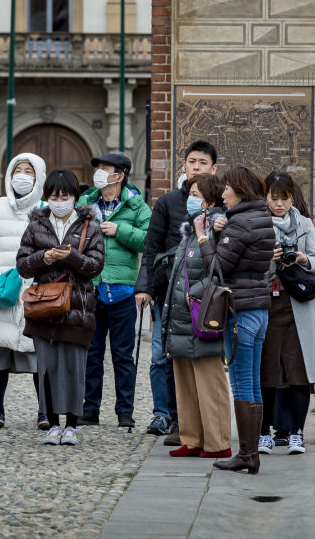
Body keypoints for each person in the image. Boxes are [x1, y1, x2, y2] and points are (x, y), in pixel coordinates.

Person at [135, 140, 218, 443]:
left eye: (203, 163)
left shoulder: (218, 205)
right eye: (192, 161)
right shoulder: (168, 202)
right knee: (162, 355)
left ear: (213, 169)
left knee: (196, 357)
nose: (197, 167)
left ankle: (192, 420)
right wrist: (143, 287)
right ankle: (164, 414)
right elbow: (151, 246)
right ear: (183, 165)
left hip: (200, 296)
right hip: (167, 293)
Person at [16, 169, 105, 446]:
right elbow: (23, 265)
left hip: (77, 306)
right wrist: (45, 256)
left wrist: (71, 257)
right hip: (44, 306)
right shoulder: (36, 225)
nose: (59, 200)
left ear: (75, 197)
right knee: (47, 367)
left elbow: (95, 266)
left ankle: (72, 424)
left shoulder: (90, 226)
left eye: (64, 195)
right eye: (54, 195)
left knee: (74, 366)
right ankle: (52, 422)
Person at [199, 167, 273, 474]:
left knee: (242, 382)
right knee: (253, 382)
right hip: (258, 309)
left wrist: (205, 238)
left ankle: (246, 454)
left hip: (239, 311)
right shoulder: (262, 217)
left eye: (227, 187)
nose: (223, 193)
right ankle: (251, 452)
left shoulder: (239, 223)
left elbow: (217, 267)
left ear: (239, 190)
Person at [258, 171, 315, 456]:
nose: (279, 204)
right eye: (273, 198)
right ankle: (264, 433)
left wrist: (302, 258)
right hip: (268, 305)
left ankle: (296, 433)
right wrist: (269, 259)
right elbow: (249, 265)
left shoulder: (304, 224)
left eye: (285, 198)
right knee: (267, 371)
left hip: (300, 306)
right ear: (265, 197)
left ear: (293, 197)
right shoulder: (259, 224)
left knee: (300, 373)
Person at [77, 153, 151, 428]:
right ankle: (90, 409)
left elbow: (147, 240)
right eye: (98, 168)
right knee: (92, 354)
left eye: (105, 169)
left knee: (122, 356)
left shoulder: (137, 206)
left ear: (119, 176)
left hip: (121, 290)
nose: (99, 173)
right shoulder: (86, 203)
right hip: (91, 288)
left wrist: (119, 230)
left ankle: (124, 410)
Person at [159, 173, 231, 458]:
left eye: (197, 193)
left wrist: (199, 292)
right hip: (180, 315)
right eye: (189, 192)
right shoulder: (190, 228)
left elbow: (220, 268)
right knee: (186, 383)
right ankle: (192, 438)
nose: (191, 198)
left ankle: (217, 442)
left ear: (211, 199)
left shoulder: (218, 227)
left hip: (201, 314)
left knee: (209, 383)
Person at [0, 153, 47, 430]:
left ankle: (44, 411)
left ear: (39, 176)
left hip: (35, 290)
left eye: (28, 171)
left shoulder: (46, 208)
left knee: (38, 355)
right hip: (3, 289)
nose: (22, 175)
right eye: (17, 170)